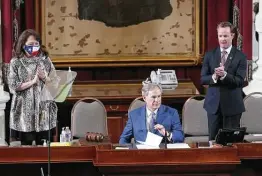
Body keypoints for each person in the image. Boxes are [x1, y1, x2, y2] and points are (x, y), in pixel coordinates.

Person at [8, 29, 59, 145]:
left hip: (44, 109)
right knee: (27, 148)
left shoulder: (45, 60)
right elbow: (13, 85)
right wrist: (32, 82)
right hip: (24, 111)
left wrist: (45, 78)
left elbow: (55, 83)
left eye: (36, 44)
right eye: (30, 45)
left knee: (45, 146)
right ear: (23, 45)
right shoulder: (16, 62)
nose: (33, 47)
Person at [201, 21, 247, 140]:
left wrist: (226, 75)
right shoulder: (209, 55)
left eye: (225, 35)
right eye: (220, 36)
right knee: (213, 141)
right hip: (213, 107)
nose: (222, 39)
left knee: (230, 143)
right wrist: (214, 77)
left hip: (232, 107)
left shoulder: (240, 56)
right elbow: (203, 79)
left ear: (232, 35)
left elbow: (240, 81)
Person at [119, 81, 184, 144]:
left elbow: (180, 136)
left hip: (163, 152)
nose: (157, 100)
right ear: (144, 98)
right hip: (141, 152)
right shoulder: (134, 115)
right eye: (153, 97)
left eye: (159, 96)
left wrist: (166, 133)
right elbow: (124, 138)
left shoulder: (172, 113)